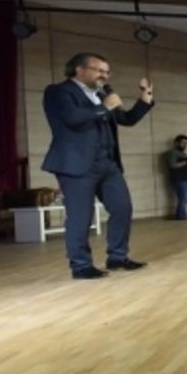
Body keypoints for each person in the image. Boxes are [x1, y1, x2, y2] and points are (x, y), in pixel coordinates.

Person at [42, 52, 153, 279]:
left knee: (122, 208)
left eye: (106, 71)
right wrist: (104, 107)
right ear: (79, 70)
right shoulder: (58, 92)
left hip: (108, 164)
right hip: (76, 164)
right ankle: (81, 265)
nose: (104, 75)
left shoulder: (101, 95)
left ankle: (118, 257)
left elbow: (127, 120)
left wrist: (144, 101)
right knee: (81, 216)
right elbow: (72, 117)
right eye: (99, 70)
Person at [165, 134, 187, 220]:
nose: (185, 145)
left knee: (185, 200)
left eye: (186, 143)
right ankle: (181, 217)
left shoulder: (183, 154)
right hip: (179, 179)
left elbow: (184, 166)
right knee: (183, 199)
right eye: (183, 143)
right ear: (176, 143)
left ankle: (181, 216)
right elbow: (172, 165)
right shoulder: (172, 153)